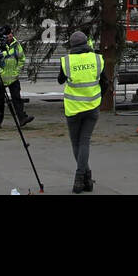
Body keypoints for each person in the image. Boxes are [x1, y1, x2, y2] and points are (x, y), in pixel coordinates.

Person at [57, 30, 106, 193]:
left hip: (73, 109)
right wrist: (99, 97)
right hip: (92, 107)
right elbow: (105, 82)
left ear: (72, 46)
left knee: (76, 143)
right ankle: (86, 178)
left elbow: (60, 80)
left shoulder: (67, 61)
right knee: (85, 141)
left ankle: (80, 177)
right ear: (86, 43)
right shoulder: (97, 59)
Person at [0, 26, 34, 129]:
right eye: (7, 34)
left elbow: (21, 59)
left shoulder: (16, 45)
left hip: (13, 77)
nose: (10, 35)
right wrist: (0, 72)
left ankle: (22, 119)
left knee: (17, 99)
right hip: (1, 77)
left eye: (11, 33)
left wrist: (17, 71)